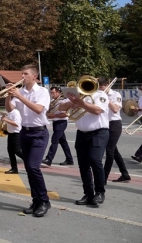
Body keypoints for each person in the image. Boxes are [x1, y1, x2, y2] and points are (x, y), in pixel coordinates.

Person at [5, 64, 51, 217]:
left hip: (39, 132)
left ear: (34, 77)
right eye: (22, 73)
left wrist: (19, 96)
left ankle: (44, 201)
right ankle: (36, 200)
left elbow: (38, 109)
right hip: (25, 132)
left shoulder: (42, 92)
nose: (22, 76)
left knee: (33, 167)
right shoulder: (22, 91)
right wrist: (8, 95)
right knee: (29, 169)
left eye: (25, 74)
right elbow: (10, 109)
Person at [59, 77, 110, 207]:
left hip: (99, 132)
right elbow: (61, 107)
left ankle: (100, 192)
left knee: (95, 159)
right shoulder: (77, 95)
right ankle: (88, 194)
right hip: (82, 133)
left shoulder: (100, 95)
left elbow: (98, 110)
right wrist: (71, 103)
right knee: (83, 165)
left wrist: (80, 103)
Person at [99, 77, 130, 183]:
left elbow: (115, 109)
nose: (101, 91)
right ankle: (125, 174)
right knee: (114, 152)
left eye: (102, 88)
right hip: (105, 124)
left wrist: (106, 98)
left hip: (115, 124)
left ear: (108, 85)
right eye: (100, 89)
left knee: (109, 151)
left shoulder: (115, 95)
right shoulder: (99, 94)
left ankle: (104, 177)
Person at [43, 86, 74, 166]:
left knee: (54, 140)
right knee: (63, 142)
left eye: (53, 93)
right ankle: (69, 159)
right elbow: (49, 111)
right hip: (56, 122)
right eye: (51, 93)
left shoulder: (64, 100)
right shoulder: (52, 101)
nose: (52, 94)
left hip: (62, 122)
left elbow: (65, 114)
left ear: (58, 92)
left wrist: (54, 116)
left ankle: (49, 159)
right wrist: (48, 115)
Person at [2, 109, 23, 174]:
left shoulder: (16, 112)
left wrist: (6, 119)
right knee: (10, 151)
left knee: (17, 151)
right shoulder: (9, 112)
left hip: (16, 134)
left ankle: (30, 162)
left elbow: (16, 123)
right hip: (10, 133)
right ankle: (14, 168)